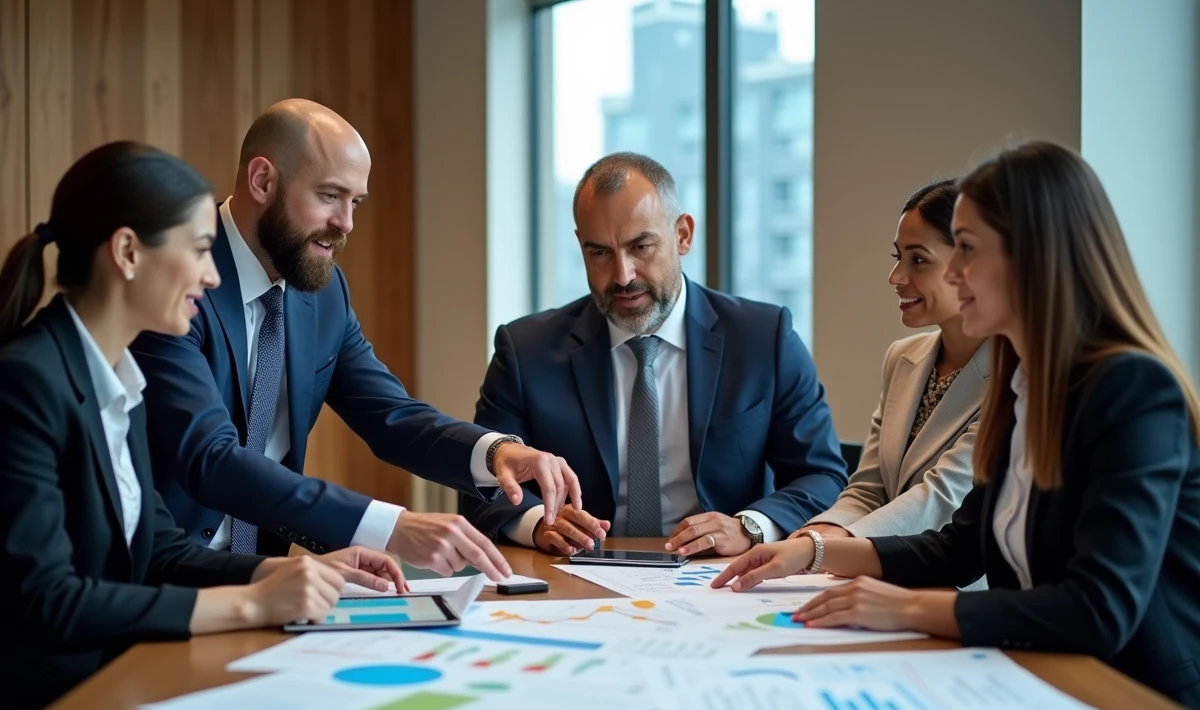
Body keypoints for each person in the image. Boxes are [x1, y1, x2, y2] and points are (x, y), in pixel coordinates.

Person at [714, 142, 1200, 710]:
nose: (951, 272)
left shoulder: (1131, 388)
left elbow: (1098, 609)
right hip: (1040, 680)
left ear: (1032, 257)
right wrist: (811, 552)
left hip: (1142, 706)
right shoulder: (1023, 385)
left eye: (965, 249)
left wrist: (905, 608)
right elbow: (958, 550)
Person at [0, 142, 405, 710]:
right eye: (197, 251)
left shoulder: (119, 380)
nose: (213, 275)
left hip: (119, 691)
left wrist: (281, 575)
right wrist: (250, 604)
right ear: (128, 253)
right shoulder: (26, 383)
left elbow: (158, 552)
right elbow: (48, 600)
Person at [131, 99, 581, 579]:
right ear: (262, 181)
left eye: (355, 202)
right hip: (161, 577)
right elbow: (212, 458)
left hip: (265, 577)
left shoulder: (323, 293)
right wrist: (389, 526)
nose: (346, 223)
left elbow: (391, 415)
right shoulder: (178, 280)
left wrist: (496, 453)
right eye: (330, 195)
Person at [463, 152, 846, 557]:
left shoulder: (764, 339)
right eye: (599, 253)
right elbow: (482, 482)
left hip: (723, 577)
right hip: (578, 575)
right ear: (580, 246)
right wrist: (539, 523)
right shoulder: (525, 350)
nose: (623, 276)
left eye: (641, 246)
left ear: (683, 235)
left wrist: (749, 526)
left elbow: (821, 476)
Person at [798, 181, 989, 552]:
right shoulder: (903, 357)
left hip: (959, 588)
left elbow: (941, 498)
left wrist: (820, 551)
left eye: (918, 259)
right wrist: (817, 533)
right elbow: (869, 488)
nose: (896, 277)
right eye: (897, 257)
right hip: (878, 569)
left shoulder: (1020, 375)